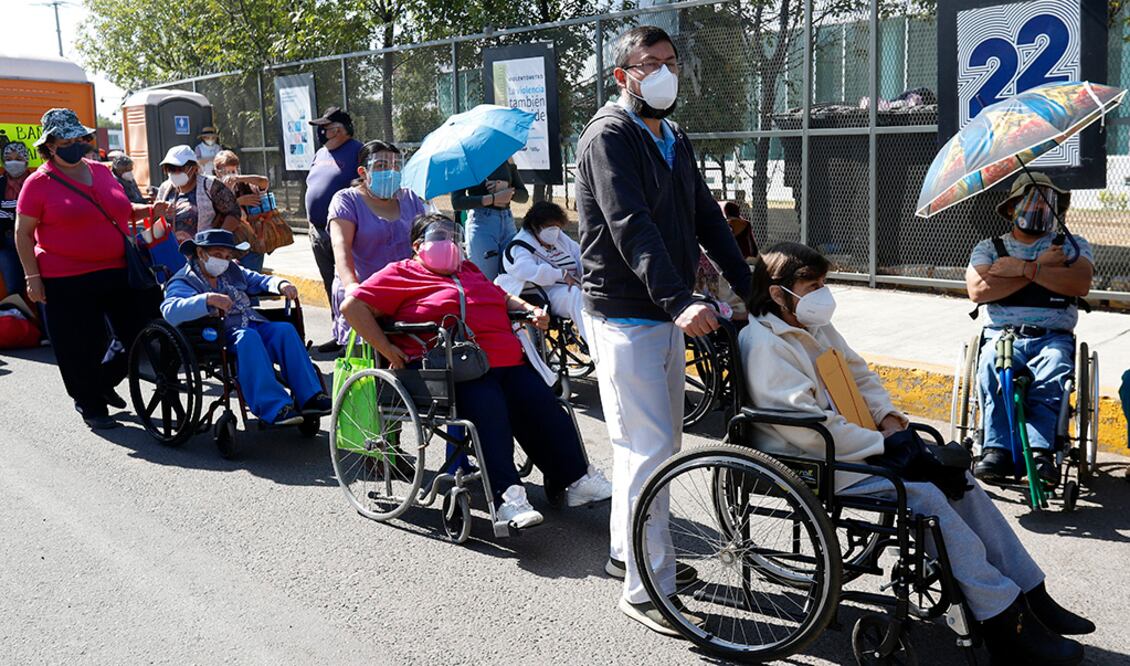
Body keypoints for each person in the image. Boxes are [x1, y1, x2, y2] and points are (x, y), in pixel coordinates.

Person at [740, 241, 1093, 665]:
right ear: (779, 292)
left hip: (857, 445)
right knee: (924, 497)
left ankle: (1030, 592)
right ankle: (1001, 617)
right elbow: (805, 428)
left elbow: (858, 375)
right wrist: (884, 444)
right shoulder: (764, 343)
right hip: (816, 459)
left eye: (823, 283)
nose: (822, 293)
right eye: (812, 284)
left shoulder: (814, 328)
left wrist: (889, 418)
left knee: (958, 478)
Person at [574, 25, 752, 633]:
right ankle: (645, 587)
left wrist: (750, 286)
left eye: (670, 61)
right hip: (627, 312)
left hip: (665, 310)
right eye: (649, 63)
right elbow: (629, 224)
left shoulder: (671, 135)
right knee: (650, 450)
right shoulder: (609, 135)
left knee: (649, 446)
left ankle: (632, 552)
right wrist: (679, 299)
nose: (663, 72)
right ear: (623, 73)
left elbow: (706, 216)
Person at [340, 214, 612, 528]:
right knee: (489, 409)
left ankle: (576, 479)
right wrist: (388, 350)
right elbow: (353, 307)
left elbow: (501, 296)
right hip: (451, 368)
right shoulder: (401, 273)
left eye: (454, 237)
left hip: (505, 359)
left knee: (543, 403)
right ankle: (507, 499)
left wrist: (527, 309)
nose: (451, 244)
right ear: (417, 246)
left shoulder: (467, 270)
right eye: (440, 238)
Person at [15, 107, 170, 430]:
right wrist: (33, 278)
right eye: (64, 138)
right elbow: (23, 233)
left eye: (77, 136)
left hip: (117, 270)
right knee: (78, 344)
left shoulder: (101, 171)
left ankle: (100, 381)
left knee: (137, 333)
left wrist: (149, 210)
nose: (74, 142)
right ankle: (90, 403)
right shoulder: (37, 183)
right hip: (65, 277)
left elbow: (122, 209)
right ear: (50, 145)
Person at [965, 172, 1094, 486]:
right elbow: (980, 290)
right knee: (994, 371)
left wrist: (1022, 268)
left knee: (1052, 376)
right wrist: (1041, 270)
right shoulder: (990, 247)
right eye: (1030, 201)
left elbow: (1080, 283)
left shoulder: (1071, 246)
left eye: (1045, 203)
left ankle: (1040, 453)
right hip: (1005, 333)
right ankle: (996, 448)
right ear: (1011, 209)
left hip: (1052, 336)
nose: (1038, 210)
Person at [161, 229, 331, 426]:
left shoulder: (232, 271)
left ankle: (310, 396)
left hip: (251, 323)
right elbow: (170, 310)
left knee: (284, 331)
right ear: (201, 253)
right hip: (219, 334)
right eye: (218, 255)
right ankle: (274, 406)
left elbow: (260, 279)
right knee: (248, 338)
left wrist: (281, 284)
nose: (224, 261)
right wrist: (207, 299)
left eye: (227, 256)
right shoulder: (185, 279)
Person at [328, 139, 424, 345]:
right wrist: (352, 286)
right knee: (368, 359)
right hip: (364, 294)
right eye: (381, 166)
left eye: (395, 165)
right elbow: (341, 248)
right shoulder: (346, 201)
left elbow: (422, 242)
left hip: (403, 293)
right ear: (363, 172)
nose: (390, 171)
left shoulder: (410, 199)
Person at [306, 107, 363, 352]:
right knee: (331, 284)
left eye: (326, 127)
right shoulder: (321, 153)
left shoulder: (358, 151)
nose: (322, 132)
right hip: (317, 229)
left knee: (347, 282)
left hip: (343, 229)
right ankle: (338, 334)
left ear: (339, 129)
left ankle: (357, 334)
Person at [494, 200, 588, 342]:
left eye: (557, 226)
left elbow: (579, 254)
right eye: (549, 226)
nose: (554, 230)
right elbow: (525, 270)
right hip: (542, 292)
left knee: (594, 294)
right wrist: (561, 273)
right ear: (534, 226)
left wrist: (587, 275)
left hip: (570, 286)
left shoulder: (560, 238)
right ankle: (593, 343)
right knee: (575, 295)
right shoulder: (520, 245)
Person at [451, 157, 528, 281]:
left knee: (513, 279)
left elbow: (524, 196)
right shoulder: (465, 161)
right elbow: (457, 202)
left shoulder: (505, 157)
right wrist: (492, 198)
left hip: (507, 222)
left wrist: (507, 188)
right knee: (486, 281)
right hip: (481, 223)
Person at [154, 145, 244, 244]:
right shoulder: (165, 188)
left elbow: (234, 212)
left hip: (204, 252)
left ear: (192, 168)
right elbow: (157, 219)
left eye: (179, 168)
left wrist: (218, 239)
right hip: (173, 253)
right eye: (170, 168)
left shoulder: (210, 185)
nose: (175, 172)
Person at [213, 149, 269, 273]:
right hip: (226, 246)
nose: (231, 175)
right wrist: (239, 202)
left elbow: (263, 182)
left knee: (251, 282)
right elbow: (214, 213)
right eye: (227, 171)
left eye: (234, 170)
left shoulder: (244, 185)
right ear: (217, 172)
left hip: (251, 245)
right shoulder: (212, 188)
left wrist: (239, 178)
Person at [1, 141, 31, 296]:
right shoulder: (0, 184)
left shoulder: (36, 182)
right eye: (9, 159)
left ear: (26, 160)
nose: (13, 163)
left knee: (42, 292)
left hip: (34, 244)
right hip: (6, 245)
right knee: (14, 290)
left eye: (18, 159)